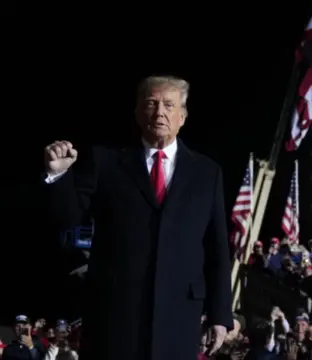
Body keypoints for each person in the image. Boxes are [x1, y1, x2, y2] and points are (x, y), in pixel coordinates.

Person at [43, 75, 233, 360]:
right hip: (115, 316)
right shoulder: (105, 162)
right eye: (151, 103)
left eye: (169, 105)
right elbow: (67, 218)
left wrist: (220, 314)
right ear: (137, 112)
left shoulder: (208, 173)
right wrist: (58, 175)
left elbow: (217, 248)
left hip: (179, 317)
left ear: (183, 116)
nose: (159, 112)